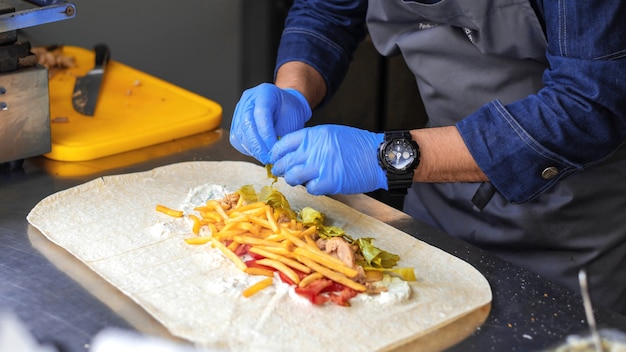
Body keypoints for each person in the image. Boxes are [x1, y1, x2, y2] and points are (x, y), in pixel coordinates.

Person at [229, 0, 626, 315]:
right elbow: (327, 9)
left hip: (572, 232)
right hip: (436, 206)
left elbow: (587, 103)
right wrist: (293, 89)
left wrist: (387, 157)